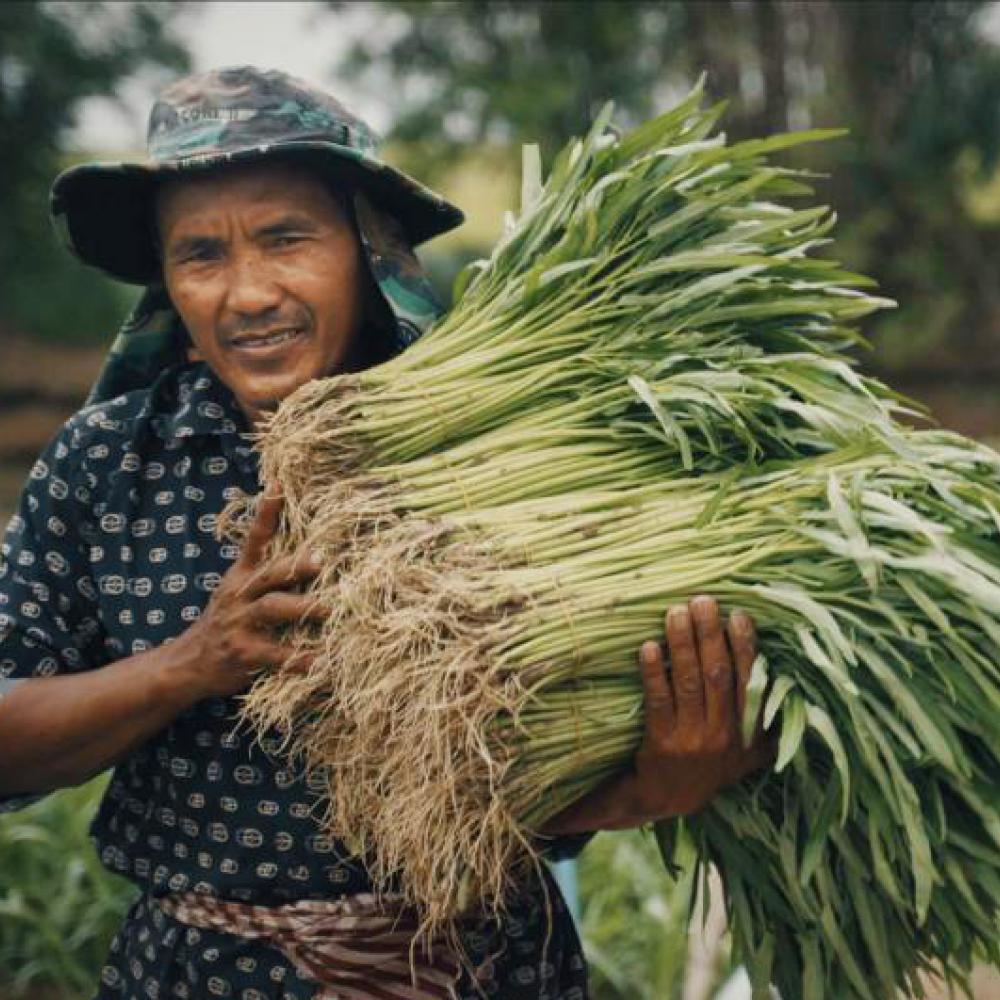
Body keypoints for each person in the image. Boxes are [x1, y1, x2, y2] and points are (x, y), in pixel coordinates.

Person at [0, 66, 773, 1000]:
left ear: (370, 251)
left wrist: (654, 788)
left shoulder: (513, 450)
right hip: (198, 976)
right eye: (200, 255)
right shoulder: (109, 463)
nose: (247, 294)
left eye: (286, 239)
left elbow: (535, 784)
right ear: (168, 283)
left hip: (479, 974)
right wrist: (191, 663)